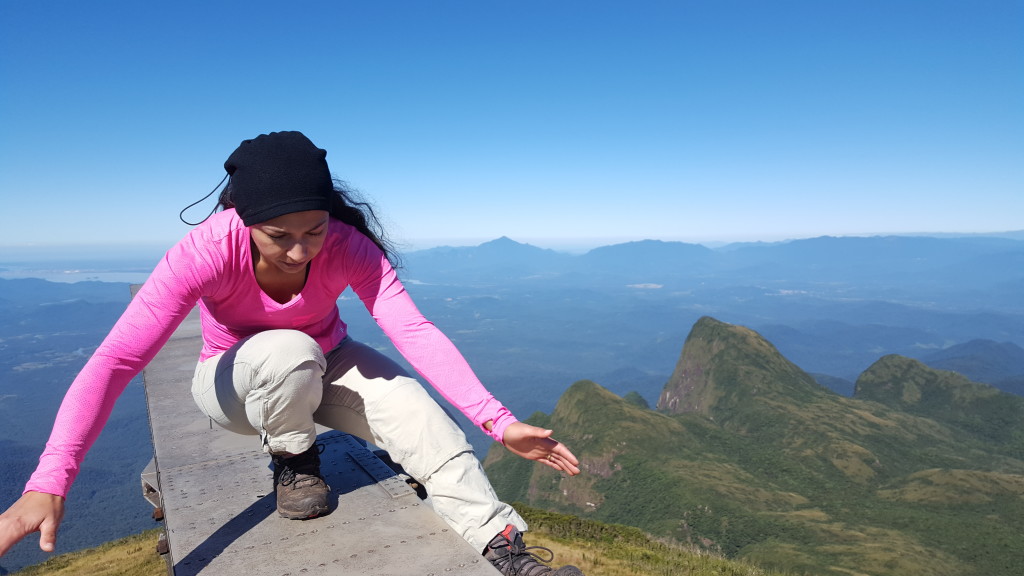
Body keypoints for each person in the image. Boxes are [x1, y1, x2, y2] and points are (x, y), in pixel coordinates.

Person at [0, 131, 586, 575]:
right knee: (289, 348)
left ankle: (505, 550)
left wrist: (498, 421)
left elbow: (414, 330)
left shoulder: (350, 245)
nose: (301, 251)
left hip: (326, 362)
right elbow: (116, 361)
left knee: (419, 416)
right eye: (280, 236)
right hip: (234, 384)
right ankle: (293, 459)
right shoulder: (205, 251)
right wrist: (50, 480)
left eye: (315, 230)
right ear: (244, 217)